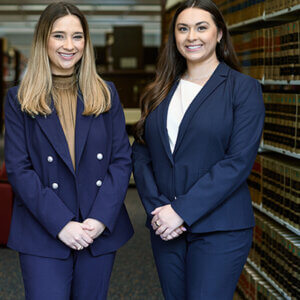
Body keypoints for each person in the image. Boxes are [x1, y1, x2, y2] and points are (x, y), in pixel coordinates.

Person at [132, 0, 265, 299]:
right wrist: (158, 210)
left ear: (219, 34)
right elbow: (141, 154)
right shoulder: (159, 90)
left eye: (201, 27)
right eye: (183, 29)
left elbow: (238, 161)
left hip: (220, 228)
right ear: (174, 37)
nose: (192, 36)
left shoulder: (243, 89)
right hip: (165, 227)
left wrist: (181, 211)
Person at [4, 2, 133, 299]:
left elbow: (121, 160)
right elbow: (18, 168)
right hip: (42, 229)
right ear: (43, 41)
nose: (69, 45)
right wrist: (61, 223)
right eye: (59, 35)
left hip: (96, 229)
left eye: (77, 36)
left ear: (86, 43)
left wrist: (99, 220)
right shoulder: (19, 99)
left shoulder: (105, 92)